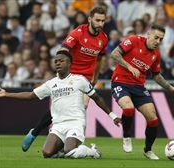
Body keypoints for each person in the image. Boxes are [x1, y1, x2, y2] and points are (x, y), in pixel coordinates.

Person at [0, 50, 121, 159]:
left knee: (70, 151)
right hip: (58, 125)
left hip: (75, 123)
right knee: (46, 153)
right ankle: (66, 150)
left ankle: (92, 151)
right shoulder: (51, 83)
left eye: (61, 61)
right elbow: (31, 95)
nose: (57, 63)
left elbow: (97, 98)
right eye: (56, 61)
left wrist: (112, 116)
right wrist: (7, 94)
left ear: (69, 63)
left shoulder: (80, 80)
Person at [21, 6, 108, 152]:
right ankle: (35, 132)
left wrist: (96, 77)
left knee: (80, 107)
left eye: (103, 21)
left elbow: (99, 60)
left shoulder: (104, 38)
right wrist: (62, 68)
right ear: (90, 19)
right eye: (97, 20)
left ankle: (66, 144)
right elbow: (64, 49)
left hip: (85, 78)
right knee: (60, 107)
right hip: (70, 74)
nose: (100, 23)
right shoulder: (78, 32)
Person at [110, 24, 174, 160]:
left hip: (138, 87)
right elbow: (114, 54)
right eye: (156, 37)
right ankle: (126, 136)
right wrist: (129, 66)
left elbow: (156, 75)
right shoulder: (133, 40)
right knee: (128, 109)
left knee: (153, 119)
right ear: (148, 34)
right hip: (120, 82)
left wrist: (171, 88)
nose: (158, 42)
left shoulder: (156, 54)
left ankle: (148, 150)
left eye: (161, 39)